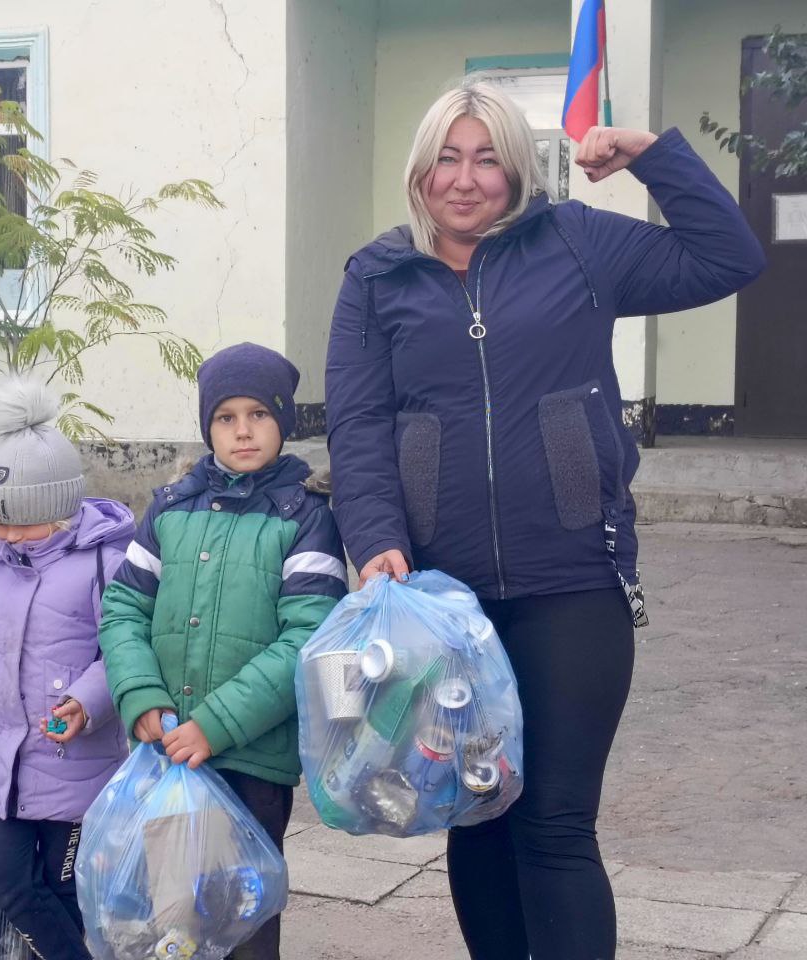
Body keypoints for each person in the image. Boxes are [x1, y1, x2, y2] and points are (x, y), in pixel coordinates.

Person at [325, 79, 764, 959]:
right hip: (443, 603)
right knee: (477, 817)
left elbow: (728, 257)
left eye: (488, 157)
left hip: (575, 586)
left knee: (556, 821)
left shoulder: (577, 242)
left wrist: (650, 154)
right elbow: (359, 424)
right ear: (419, 171)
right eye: (447, 157)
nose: (465, 177)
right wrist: (375, 539)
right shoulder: (377, 275)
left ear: (518, 169)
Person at [99, 342, 348, 959]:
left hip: (252, 760)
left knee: (245, 919)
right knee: (173, 918)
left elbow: (307, 637)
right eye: (226, 417)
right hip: (169, 753)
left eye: (259, 415)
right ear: (208, 426)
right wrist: (140, 697)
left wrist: (215, 723)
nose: (242, 431)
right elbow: (123, 608)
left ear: (283, 422)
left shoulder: (306, 516)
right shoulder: (170, 507)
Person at [0, 377, 134, 960]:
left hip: (76, 766)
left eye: (21, 523)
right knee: (8, 881)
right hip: (2, 769)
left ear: (59, 509)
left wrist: (88, 701)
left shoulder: (105, 563)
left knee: (66, 887)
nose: (6, 536)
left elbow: (125, 648)